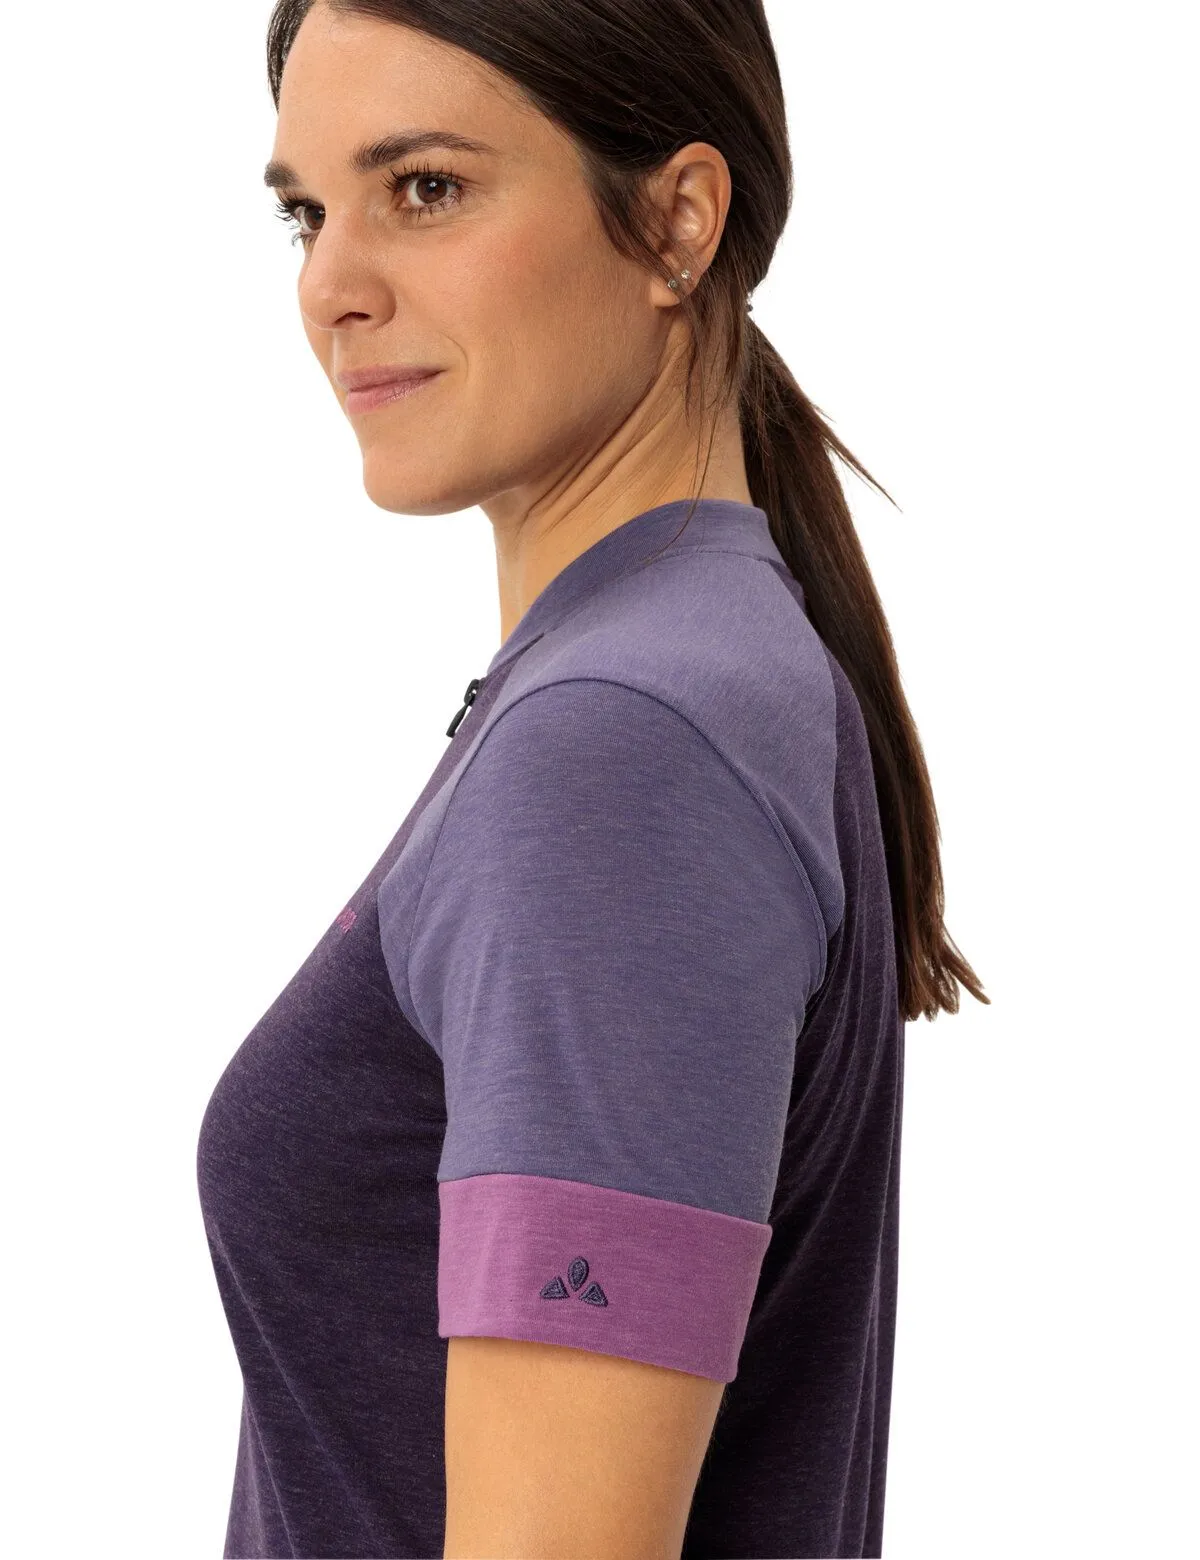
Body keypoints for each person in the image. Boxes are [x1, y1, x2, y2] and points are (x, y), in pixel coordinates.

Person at [196, 2, 989, 1556]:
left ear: (679, 220)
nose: (332, 287)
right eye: (306, 212)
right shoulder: (677, 673)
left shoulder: (621, 749)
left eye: (424, 188)